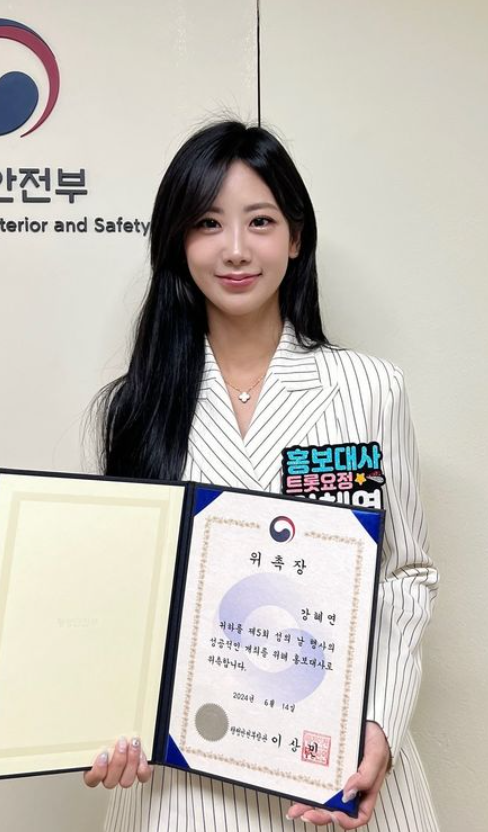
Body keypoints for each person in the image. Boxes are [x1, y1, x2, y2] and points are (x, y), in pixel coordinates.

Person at [84, 120, 440, 831]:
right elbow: (121, 598)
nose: (236, 249)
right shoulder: (136, 408)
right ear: (177, 242)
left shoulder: (368, 389)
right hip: (186, 786)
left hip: (340, 768)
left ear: (296, 237)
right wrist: (103, 721)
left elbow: (406, 575)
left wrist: (380, 726)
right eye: (207, 223)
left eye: (261, 221)